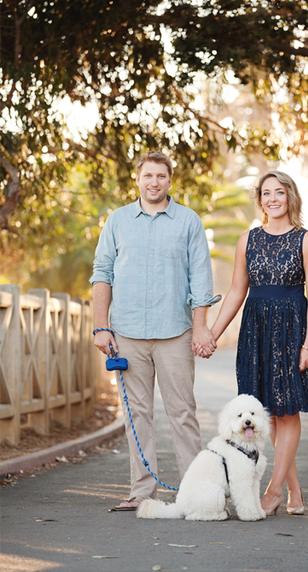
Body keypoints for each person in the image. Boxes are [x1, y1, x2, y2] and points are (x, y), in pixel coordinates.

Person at [201, 170, 308, 516]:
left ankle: (275, 489)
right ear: (260, 200)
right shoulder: (247, 240)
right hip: (256, 331)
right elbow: (237, 291)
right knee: (267, 414)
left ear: (290, 197)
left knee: (287, 411)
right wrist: (212, 333)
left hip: (292, 331)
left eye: (278, 192)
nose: (272, 199)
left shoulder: (306, 241)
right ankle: (295, 493)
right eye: (266, 193)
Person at [90, 151, 217, 511]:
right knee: (137, 415)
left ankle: (197, 495)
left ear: (170, 181)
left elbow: (201, 280)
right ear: (137, 179)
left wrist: (199, 328)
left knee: (182, 413)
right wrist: (102, 327)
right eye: (148, 176)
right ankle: (142, 492)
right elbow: (102, 273)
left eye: (161, 176)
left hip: (175, 332)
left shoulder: (189, 222)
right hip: (127, 333)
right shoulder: (117, 221)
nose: (154, 182)